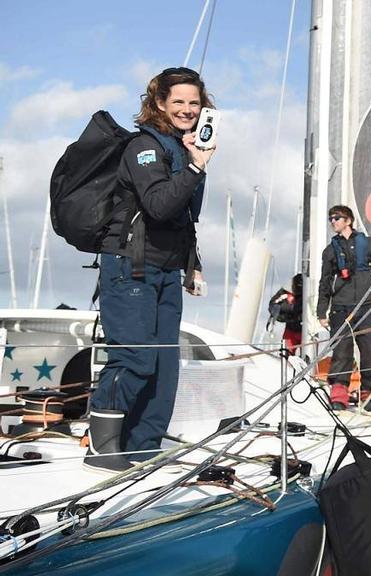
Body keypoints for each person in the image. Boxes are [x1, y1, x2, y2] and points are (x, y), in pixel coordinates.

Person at [84, 67, 216, 473]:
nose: (187, 109)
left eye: (194, 102)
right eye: (178, 101)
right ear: (159, 102)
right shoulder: (144, 146)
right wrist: (195, 169)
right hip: (129, 267)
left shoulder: (185, 149)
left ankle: (144, 449)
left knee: (164, 366)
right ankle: (102, 448)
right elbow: (159, 204)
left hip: (166, 269)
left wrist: (192, 267)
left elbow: (182, 218)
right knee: (135, 359)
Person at [316, 205, 371, 412]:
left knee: (370, 350)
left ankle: (366, 391)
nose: (333, 221)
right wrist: (321, 311)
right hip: (340, 308)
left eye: (337, 218)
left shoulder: (369, 244)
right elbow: (324, 282)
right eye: (330, 218)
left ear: (348, 220)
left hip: (367, 307)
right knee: (341, 352)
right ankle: (339, 394)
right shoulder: (330, 250)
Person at [268, 274, 303, 356]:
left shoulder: (313, 290)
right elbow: (273, 305)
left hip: (308, 331)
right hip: (290, 330)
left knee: (309, 359)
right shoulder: (286, 291)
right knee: (285, 356)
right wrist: (288, 312)